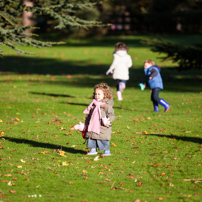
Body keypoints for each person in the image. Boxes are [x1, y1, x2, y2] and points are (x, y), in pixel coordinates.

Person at [74, 83, 115, 156]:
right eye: (96, 94)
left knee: (103, 138)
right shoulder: (93, 104)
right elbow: (89, 115)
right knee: (91, 137)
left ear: (105, 95)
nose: (97, 96)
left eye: (99, 94)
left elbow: (111, 115)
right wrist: (86, 124)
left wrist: (108, 121)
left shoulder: (107, 106)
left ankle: (106, 151)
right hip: (93, 125)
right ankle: (93, 149)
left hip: (103, 126)